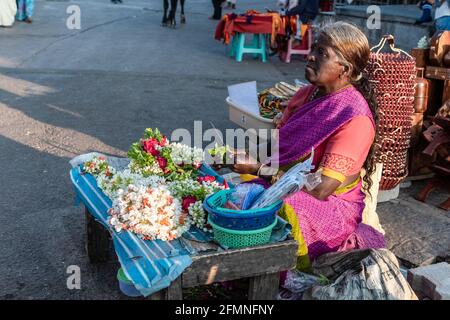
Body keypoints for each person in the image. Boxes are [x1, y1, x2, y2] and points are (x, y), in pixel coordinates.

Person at [219, 22, 386, 271]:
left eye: (322, 53)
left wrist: (258, 169)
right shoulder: (307, 95)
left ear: (345, 69)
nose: (310, 55)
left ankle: (289, 275)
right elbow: (280, 147)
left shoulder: (354, 117)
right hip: (283, 182)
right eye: (314, 49)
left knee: (285, 206)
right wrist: (240, 156)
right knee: (232, 198)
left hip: (328, 205)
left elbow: (321, 188)